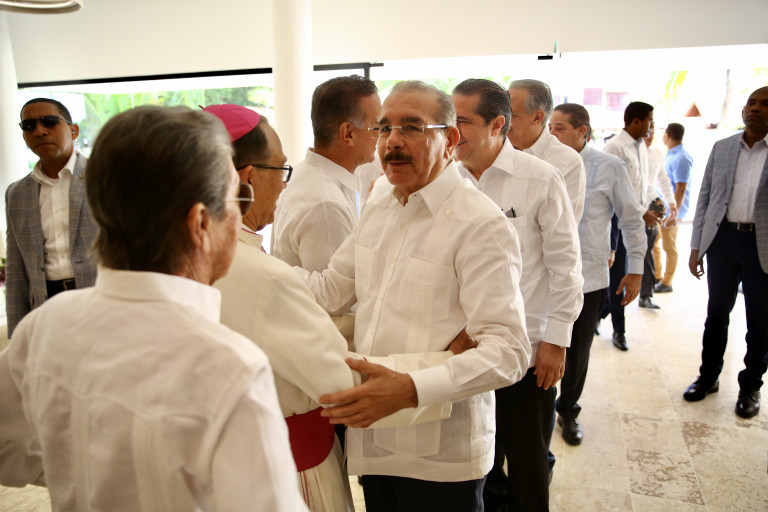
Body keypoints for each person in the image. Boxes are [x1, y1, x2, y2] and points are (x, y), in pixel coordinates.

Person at [0, 105, 308, 511]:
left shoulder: (44, 326)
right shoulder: (230, 366)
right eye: (238, 197)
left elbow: (5, 450)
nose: (241, 216)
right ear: (201, 223)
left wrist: (78, 466)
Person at [302, 80, 532, 512]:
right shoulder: (380, 202)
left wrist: (411, 389)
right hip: (375, 439)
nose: (393, 141)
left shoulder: (479, 223)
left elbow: (510, 352)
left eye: (411, 127)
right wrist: (249, 261)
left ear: (450, 139)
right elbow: (332, 288)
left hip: (440, 458)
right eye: (384, 128)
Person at [451, 79, 583, 512]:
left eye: (463, 121)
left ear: (497, 125)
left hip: (527, 352)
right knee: (480, 461)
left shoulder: (539, 178)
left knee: (527, 460)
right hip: (466, 349)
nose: (452, 131)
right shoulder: (447, 178)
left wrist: (556, 341)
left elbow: (566, 266)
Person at [549, 103, 646, 445]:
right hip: (544, 277)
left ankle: (568, 410)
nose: (552, 134)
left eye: (560, 128)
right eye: (550, 127)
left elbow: (631, 220)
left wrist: (635, 271)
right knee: (542, 347)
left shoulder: (609, 167)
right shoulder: (539, 164)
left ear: (582, 132)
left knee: (577, 351)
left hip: (588, 276)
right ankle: (539, 411)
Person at [271, 75, 380, 345]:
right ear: (348, 133)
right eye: (376, 127)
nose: (381, 137)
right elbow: (333, 301)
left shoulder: (309, 173)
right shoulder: (325, 203)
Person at [685, 86, 768, 419]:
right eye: (751, 103)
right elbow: (705, 198)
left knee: (760, 321)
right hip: (722, 241)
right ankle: (708, 377)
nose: (756, 108)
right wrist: (696, 247)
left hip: (761, 246)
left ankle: (750, 387)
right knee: (716, 314)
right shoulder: (722, 147)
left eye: (764, 104)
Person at [5, 98, 98, 338]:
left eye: (49, 121)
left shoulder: (104, 178)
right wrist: (17, 337)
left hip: (100, 303)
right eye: (29, 126)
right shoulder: (16, 194)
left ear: (73, 130)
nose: (39, 131)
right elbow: (15, 269)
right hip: (46, 309)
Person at [601, 102, 677, 349]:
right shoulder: (615, 147)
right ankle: (619, 331)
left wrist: (655, 202)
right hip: (619, 224)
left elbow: (643, 185)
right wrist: (642, 213)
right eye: (649, 121)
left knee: (631, 273)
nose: (651, 126)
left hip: (639, 222)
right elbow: (615, 190)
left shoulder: (642, 147)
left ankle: (598, 314)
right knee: (618, 278)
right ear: (636, 121)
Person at [506, 79, 586, 221]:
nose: (503, 121)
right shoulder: (495, 153)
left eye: (512, 114)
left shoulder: (568, 161)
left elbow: (564, 227)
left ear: (537, 117)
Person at [638, 127, 677, 309]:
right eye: (647, 130)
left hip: (652, 209)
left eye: (652, 130)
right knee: (623, 256)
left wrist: (671, 202)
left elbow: (663, 180)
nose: (650, 134)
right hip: (631, 210)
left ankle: (646, 295)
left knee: (648, 253)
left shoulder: (657, 153)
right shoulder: (628, 151)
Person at [653, 122, 694, 293]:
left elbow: (681, 188)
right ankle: (657, 276)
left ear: (667, 136)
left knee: (669, 246)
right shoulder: (670, 155)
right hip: (661, 209)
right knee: (654, 243)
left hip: (671, 211)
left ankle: (667, 281)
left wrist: (672, 214)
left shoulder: (682, 158)